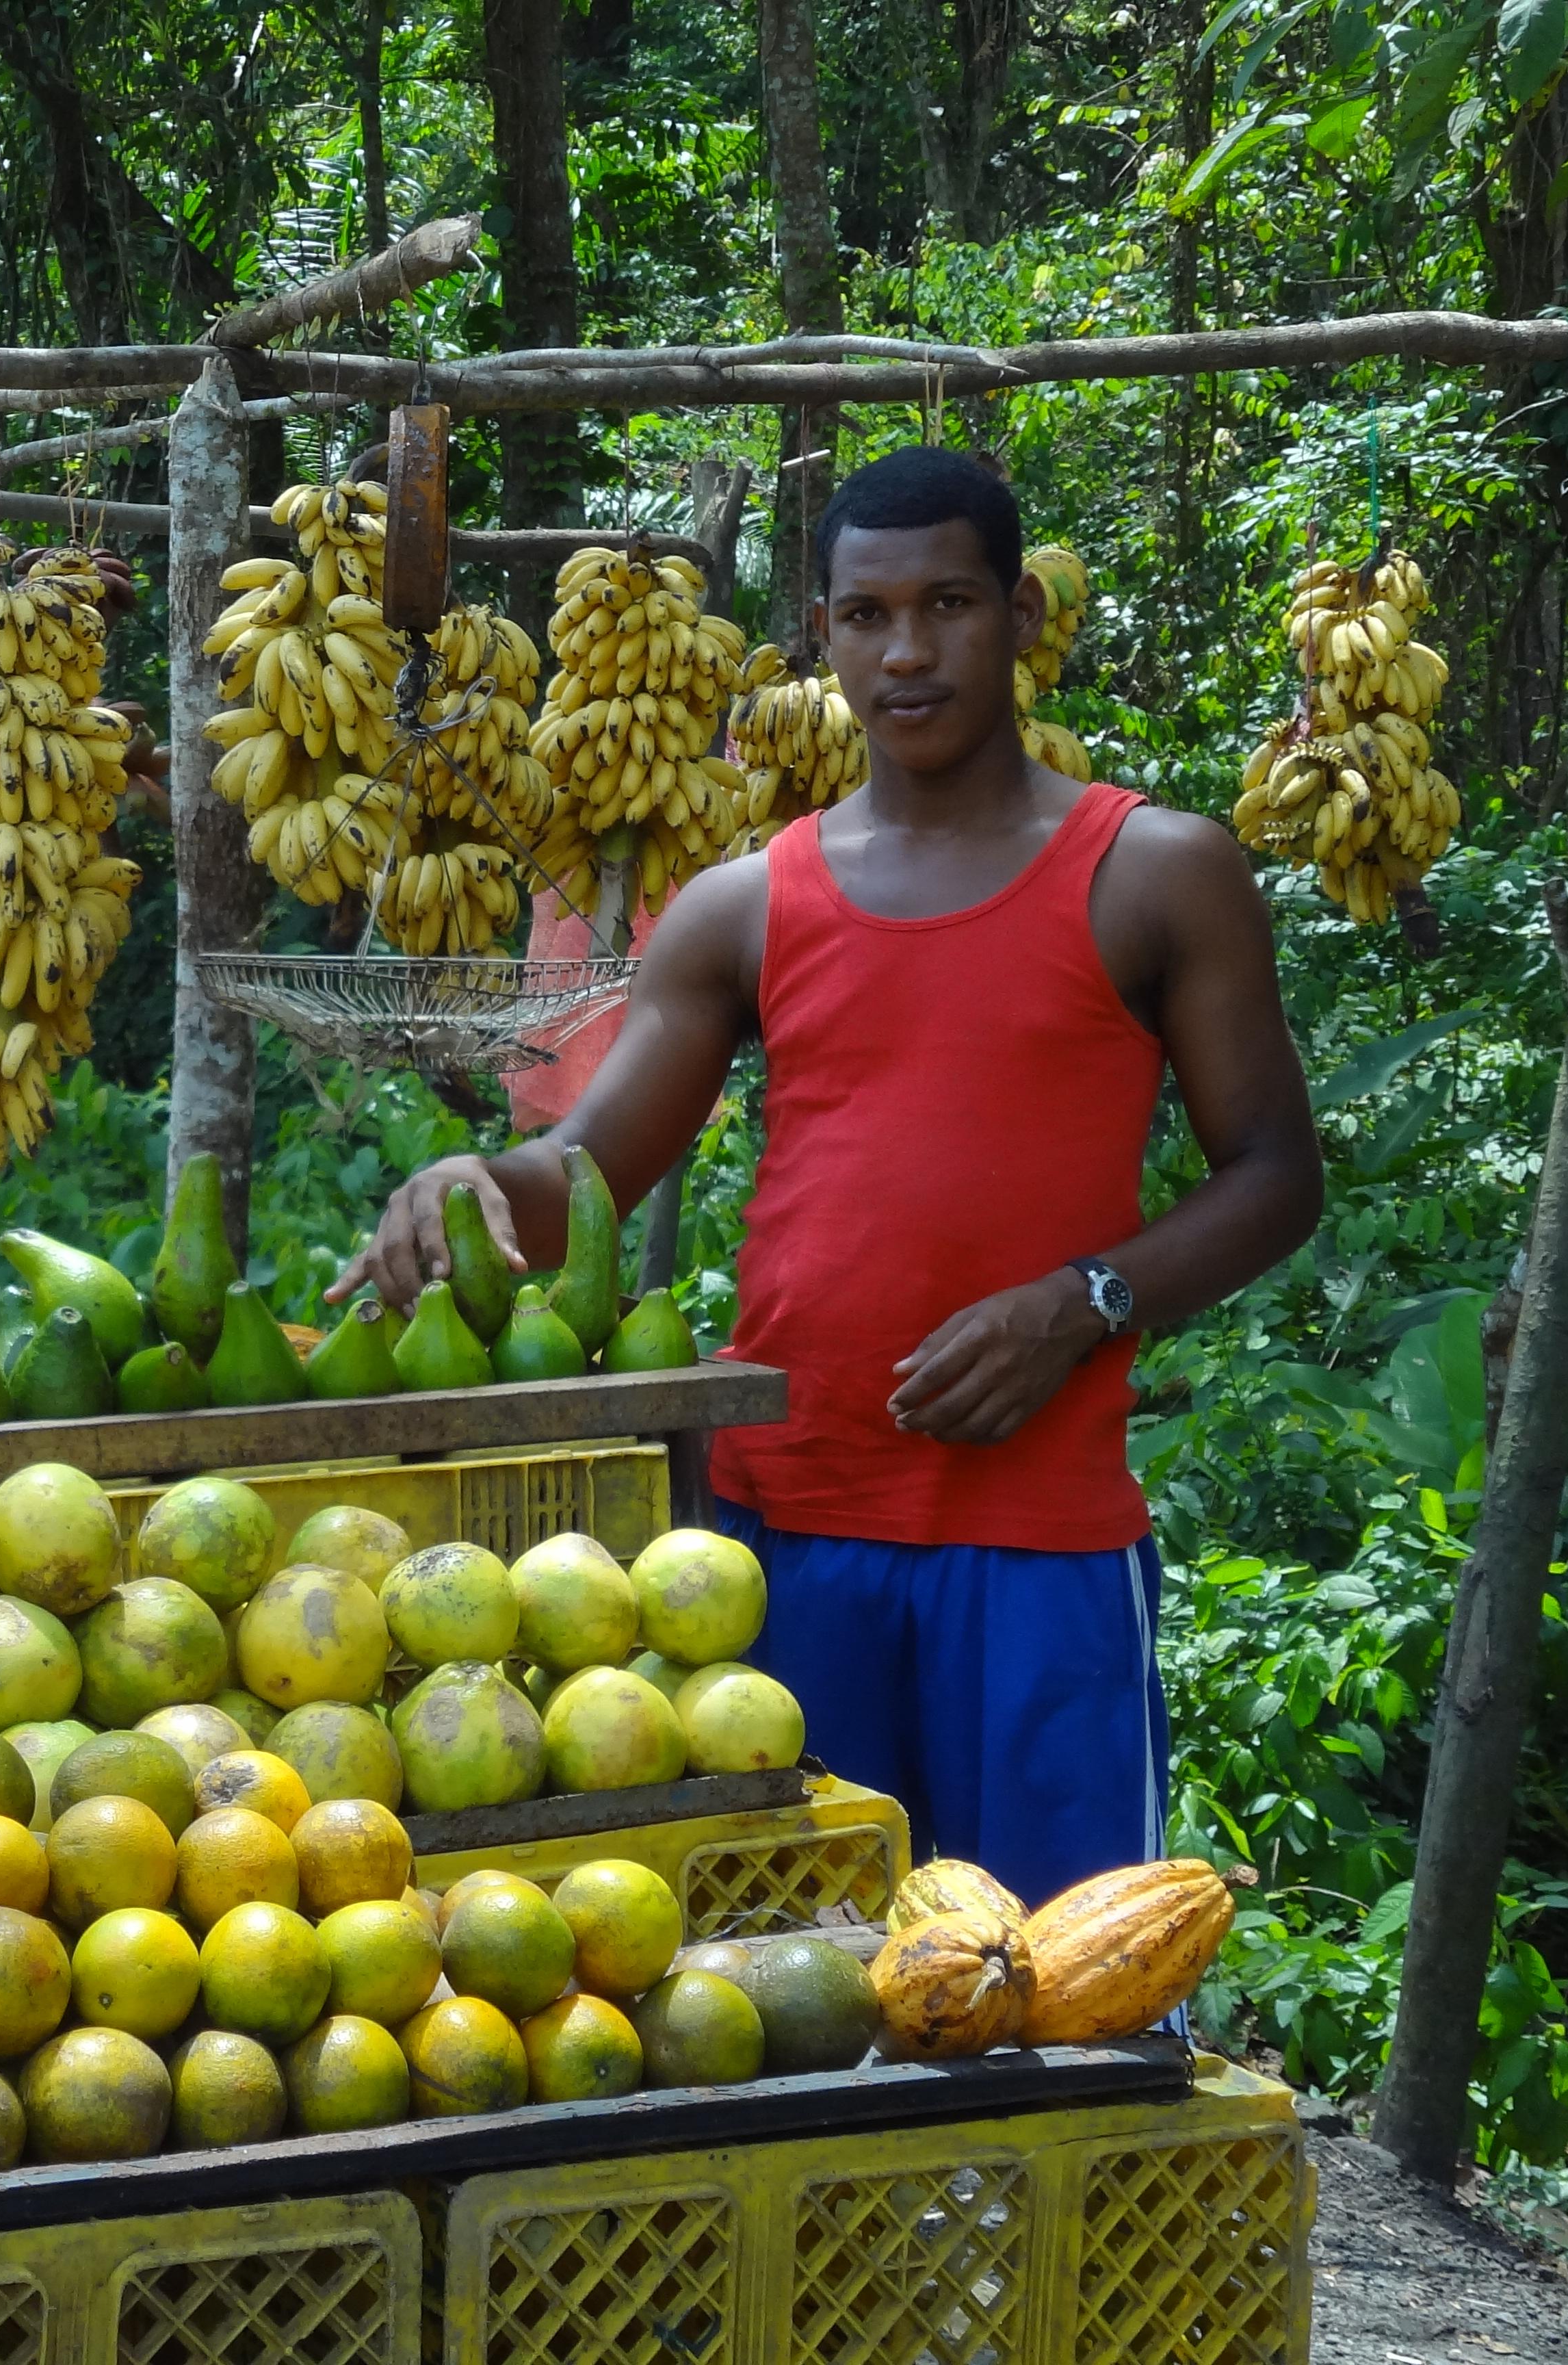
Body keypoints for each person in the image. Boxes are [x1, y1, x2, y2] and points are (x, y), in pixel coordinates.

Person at [337, 446, 1322, 1906]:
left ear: (1023, 621)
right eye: (867, 616)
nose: (907, 652)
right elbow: (588, 1166)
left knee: (1066, 1986)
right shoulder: (746, 904)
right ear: (821, 635)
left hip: (1036, 1536)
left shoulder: (1154, 872)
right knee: (807, 1973)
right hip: (781, 1526)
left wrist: (1081, 1301)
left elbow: (1276, 1176)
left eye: (950, 606)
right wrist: (473, 1184)